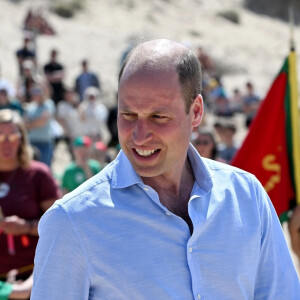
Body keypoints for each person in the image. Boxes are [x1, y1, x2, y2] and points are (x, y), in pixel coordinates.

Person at [31, 39, 300, 299]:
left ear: (195, 112)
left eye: (158, 117)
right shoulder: (71, 222)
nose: (139, 135)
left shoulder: (246, 196)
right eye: (128, 115)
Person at [0, 109, 60, 288]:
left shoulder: (38, 174)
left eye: (12, 136)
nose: (6, 143)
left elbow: (58, 225)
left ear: (21, 138)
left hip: (33, 276)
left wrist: (26, 227)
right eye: (1, 137)